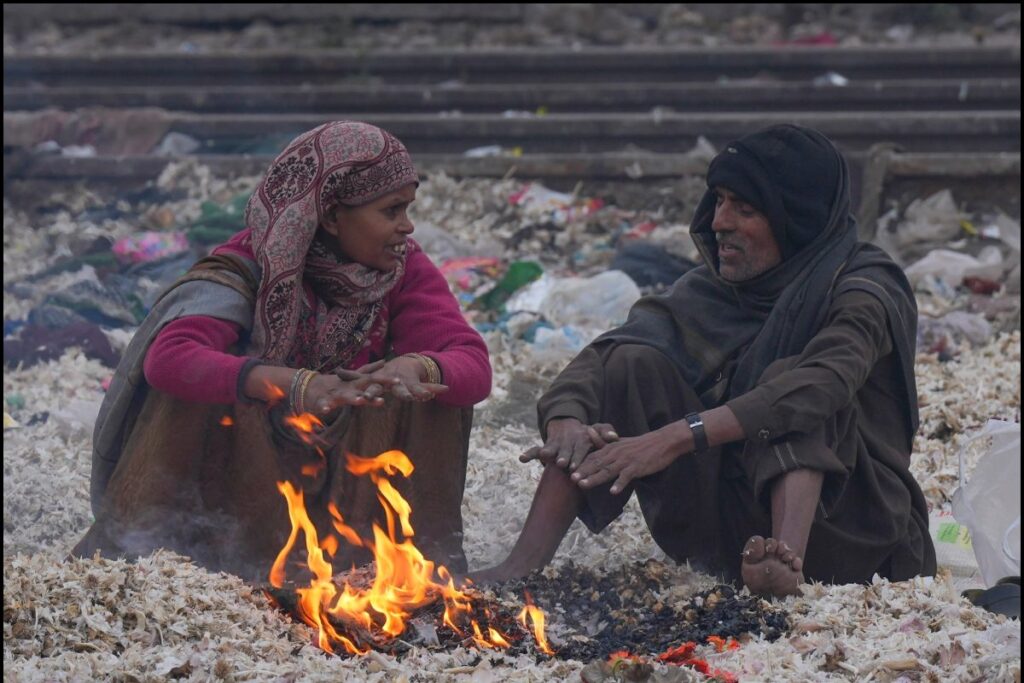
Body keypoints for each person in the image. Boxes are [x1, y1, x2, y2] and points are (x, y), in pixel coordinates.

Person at [473, 124, 936, 597]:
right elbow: (612, 351)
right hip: (731, 531)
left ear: (797, 220)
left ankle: (786, 571)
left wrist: (676, 437)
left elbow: (826, 379)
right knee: (634, 363)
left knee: (794, 388)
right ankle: (522, 566)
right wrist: (566, 419)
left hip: (850, 532)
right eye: (718, 201)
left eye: (745, 209)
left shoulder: (865, 287)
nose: (719, 222)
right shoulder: (716, 288)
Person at [72, 121, 491, 579]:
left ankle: (404, 572)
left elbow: (471, 363)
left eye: (408, 209)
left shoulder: (400, 268)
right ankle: (163, 565)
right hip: (243, 497)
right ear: (330, 216)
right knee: (197, 387)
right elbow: (170, 358)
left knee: (435, 386)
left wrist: (416, 365)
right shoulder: (248, 266)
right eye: (391, 211)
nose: (406, 227)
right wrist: (294, 386)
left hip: (353, 499)